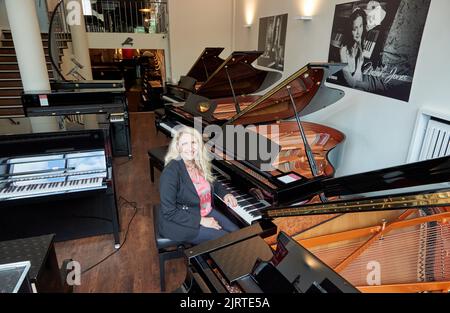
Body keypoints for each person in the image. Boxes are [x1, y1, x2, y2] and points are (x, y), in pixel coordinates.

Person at [158, 126, 239, 245]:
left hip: (205, 211)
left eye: (193, 142)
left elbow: (213, 182)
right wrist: (201, 221)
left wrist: (225, 193)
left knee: (238, 234)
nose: (190, 148)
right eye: (184, 143)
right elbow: (169, 212)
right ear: (178, 147)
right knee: (226, 240)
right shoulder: (171, 172)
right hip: (182, 222)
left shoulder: (198, 162)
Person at [339, 8, 368, 88]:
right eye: (355, 28)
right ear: (350, 30)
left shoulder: (360, 42)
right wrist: (365, 85)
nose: (359, 32)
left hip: (358, 84)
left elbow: (360, 65)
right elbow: (349, 81)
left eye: (360, 26)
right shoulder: (344, 50)